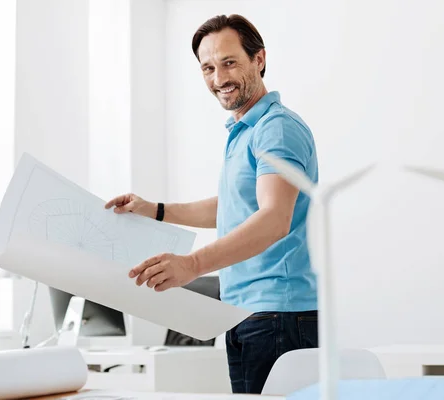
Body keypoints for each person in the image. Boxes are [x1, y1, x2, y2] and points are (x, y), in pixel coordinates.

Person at [104, 14, 319, 394]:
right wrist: (155, 210)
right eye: (208, 68)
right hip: (244, 313)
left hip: (279, 314)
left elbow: (273, 219)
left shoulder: (276, 128)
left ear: (260, 59)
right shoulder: (244, 131)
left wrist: (192, 265)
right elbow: (233, 207)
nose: (219, 79)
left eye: (229, 62)